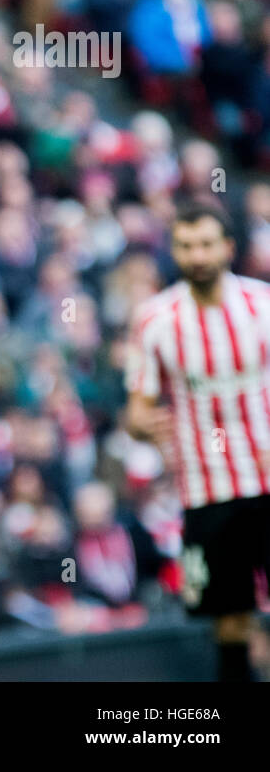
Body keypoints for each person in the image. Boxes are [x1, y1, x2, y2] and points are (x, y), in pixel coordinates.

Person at [125, 203, 270, 682]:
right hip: (207, 488)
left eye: (207, 244)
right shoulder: (155, 319)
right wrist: (143, 423)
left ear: (228, 247)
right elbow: (138, 407)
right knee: (228, 618)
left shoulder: (263, 305)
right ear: (174, 251)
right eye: (187, 246)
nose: (198, 255)